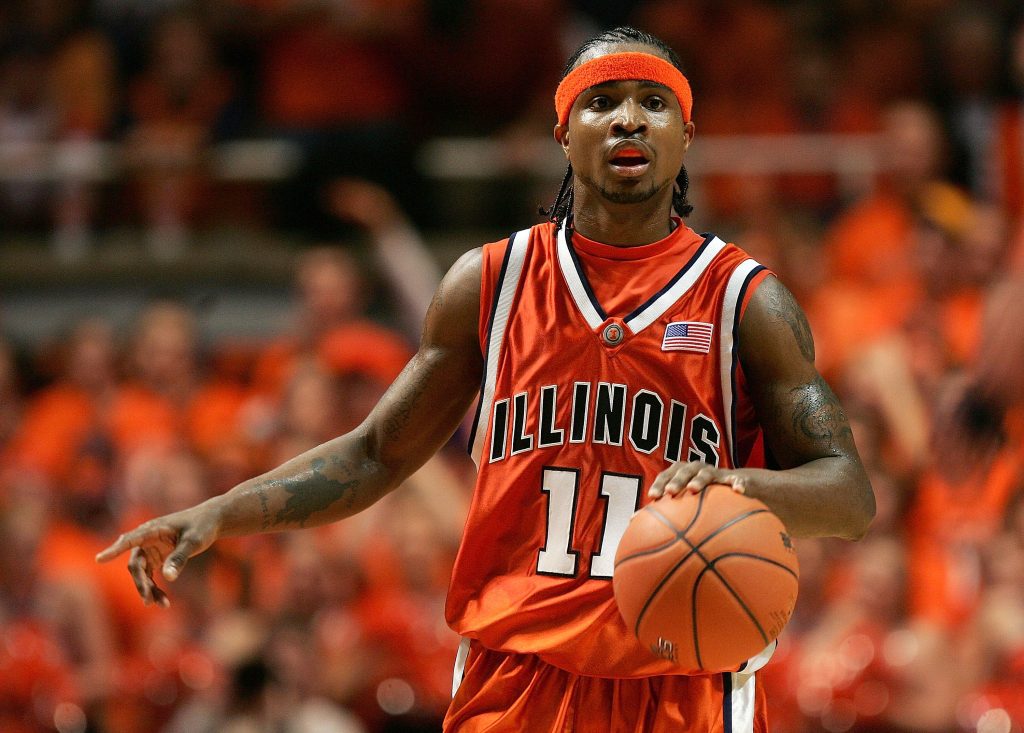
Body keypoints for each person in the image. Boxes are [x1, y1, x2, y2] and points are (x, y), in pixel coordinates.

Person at [98, 26, 875, 732]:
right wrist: (221, 512)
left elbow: (849, 495)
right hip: (514, 680)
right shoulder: (491, 282)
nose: (629, 120)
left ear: (687, 134)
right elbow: (374, 454)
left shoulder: (746, 300)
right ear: (563, 134)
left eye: (654, 103)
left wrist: (738, 487)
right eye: (602, 101)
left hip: (682, 684)